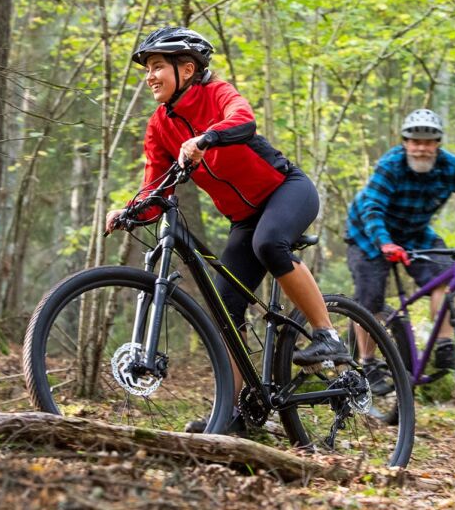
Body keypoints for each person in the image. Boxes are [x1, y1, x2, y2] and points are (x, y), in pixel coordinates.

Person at [105, 27, 351, 429]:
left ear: (187, 69)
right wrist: (129, 211)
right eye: (147, 69)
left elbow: (244, 121)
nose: (149, 76)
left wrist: (207, 138)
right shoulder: (159, 126)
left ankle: (327, 335)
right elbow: (155, 185)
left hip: (287, 190)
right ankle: (236, 414)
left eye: (156, 67)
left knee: (270, 243)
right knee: (225, 308)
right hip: (243, 218)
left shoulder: (217, 93)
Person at [345, 108, 455, 381]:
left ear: (438, 143)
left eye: (428, 142)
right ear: (405, 142)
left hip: (414, 232)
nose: (421, 149)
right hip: (368, 233)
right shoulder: (390, 166)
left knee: (445, 274)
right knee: (371, 298)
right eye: (415, 142)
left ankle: (445, 345)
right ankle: (367, 363)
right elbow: (373, 208)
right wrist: (385, 242)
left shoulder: (450, 167)